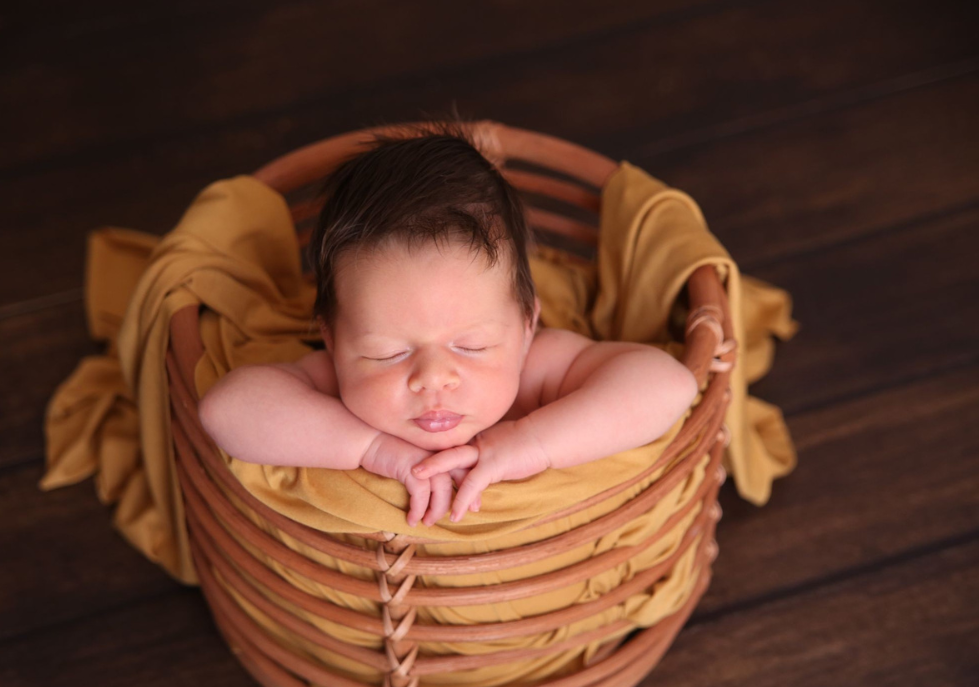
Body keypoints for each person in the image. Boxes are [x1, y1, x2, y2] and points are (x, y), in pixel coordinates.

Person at [198, 123, 698, 529]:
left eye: (472, 345)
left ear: (526, 326)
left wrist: (531, 442)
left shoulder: (539, 368)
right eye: (387, 352)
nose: (433, 378)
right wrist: (372, 448)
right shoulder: (335, 386)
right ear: (332, 338)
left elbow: (668, 384)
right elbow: (227, 410)